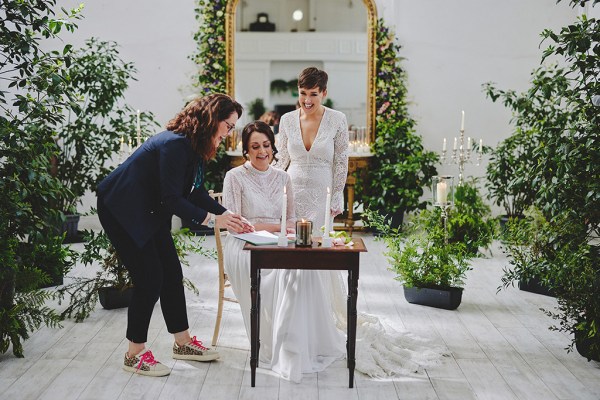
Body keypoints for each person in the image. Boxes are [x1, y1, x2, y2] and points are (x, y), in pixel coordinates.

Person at [272, 67, 446, 379]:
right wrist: (272, 188)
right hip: (294, 193)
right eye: (302, 94)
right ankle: (294, 326)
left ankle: (320, 325)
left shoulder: (337, 119)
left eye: (313, 94)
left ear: (324, 92)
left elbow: (341, 161)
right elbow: (281, 160)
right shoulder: (286, 120)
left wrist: (337, 196)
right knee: (294, 256)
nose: (307, 100)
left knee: (318, 257)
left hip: (322, 196)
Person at [97, 94, 253, 377]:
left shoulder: (196, 146)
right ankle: (134, 354)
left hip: (149, 208)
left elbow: (195, 191)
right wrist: (211, 219)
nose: (229, 133)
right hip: (120, 207)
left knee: (171, 271)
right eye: (228, 126)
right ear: (212, 120)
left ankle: (182, 343)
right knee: (150, 277)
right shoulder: (175, 145)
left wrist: (227, 215)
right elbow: (171, 198)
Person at [222, 121, 346, 382]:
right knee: (282, 273)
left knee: (303, 270)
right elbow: (236, 225)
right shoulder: (234, 177)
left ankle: (299, 344)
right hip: (244, 245)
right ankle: (277, 345)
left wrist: (279, 230)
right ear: (245, 150)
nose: (262, 151)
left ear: (273, 147)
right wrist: (268, 228)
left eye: (266, 145)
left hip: (278, 240)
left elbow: (291, 221)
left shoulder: (283, 177)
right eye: (255, 146)